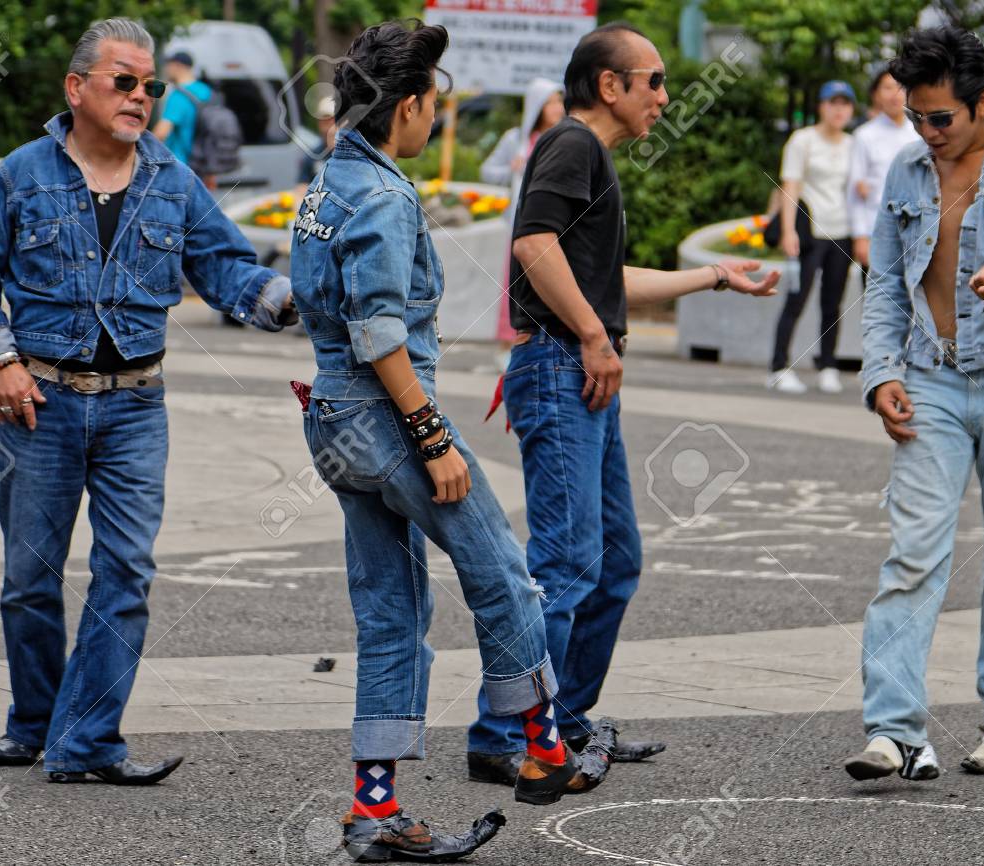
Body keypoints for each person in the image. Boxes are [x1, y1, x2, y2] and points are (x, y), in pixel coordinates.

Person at [289, 21, 607, 862]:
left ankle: (375, 810)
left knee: (391, 611)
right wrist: (434, 439)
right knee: (504, 575)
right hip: (389, 420)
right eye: (434, 100)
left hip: (334, 418)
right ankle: (542, 748)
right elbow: (380, 334)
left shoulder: (327, 183)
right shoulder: (384, 197)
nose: (436, 115)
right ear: (406, 106)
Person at [0, 18, 297, 787]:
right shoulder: (23, 174)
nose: (141, 96)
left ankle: (87, 742)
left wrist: (288, 298)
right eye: (125, 81)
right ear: (77, 88)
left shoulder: (174, 181)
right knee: (29, 579)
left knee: (126, 571)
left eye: (152, 85)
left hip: (137, 407)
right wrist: (1, 359)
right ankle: (35, 726)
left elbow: (227, 268)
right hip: (39, 402)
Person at [466, 22, 779, 788]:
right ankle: (505, 734)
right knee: (566, 565)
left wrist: (716, 277)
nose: (665, 98)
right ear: (610, 85)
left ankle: (562, 720)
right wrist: (591, 335)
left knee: (612, 563)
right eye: (655, 81)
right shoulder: (572, 144)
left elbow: (605, 280)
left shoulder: (588, 155)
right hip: (560, 367)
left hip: (577, 369)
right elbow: (533, 247)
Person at [846, 26, 984, 782]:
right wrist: (881, 373)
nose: (926, 131)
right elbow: (885, 283)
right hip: (930, 379)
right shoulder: (907, 168)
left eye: (940, 117)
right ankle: (894, 730)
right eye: (915, 115)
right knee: (912, 556)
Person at [768, 80, 856, 395]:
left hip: (842, 232)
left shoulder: (853, 144)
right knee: (797, 299)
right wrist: (788, 230)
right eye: (833, 103)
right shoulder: (802, 140)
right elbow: (789, 187)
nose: (839, 110)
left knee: (833, 304)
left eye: (845, 104)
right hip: (810, 232)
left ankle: (828, 366)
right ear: (821, 106)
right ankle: (778, 366)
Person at [480, 78, 565, 363]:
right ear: (537, 106)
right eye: (550, 102)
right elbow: (487, 171)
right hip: (520, 224)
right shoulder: (515, 139)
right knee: (514, 284)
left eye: (559, 101)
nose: (557, 108)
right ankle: (508, 346)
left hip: (554, 224)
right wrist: (510, 168)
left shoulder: (564, 139)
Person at [846, 70, 918, 268]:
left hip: (916, 232)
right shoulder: (864, 135)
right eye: (887, 88)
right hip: (876, 232)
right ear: (876, 95)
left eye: (900, 87)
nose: (895, 94)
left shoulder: (921, 132)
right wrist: (860, 236)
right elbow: (855, 190)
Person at [153, 51, 212, 184]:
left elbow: (161, 133)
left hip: (180, 168)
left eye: (168, 65)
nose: (166, 70)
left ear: (177, 66)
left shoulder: (178, 95)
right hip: (203, 165)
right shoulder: (206, 90)